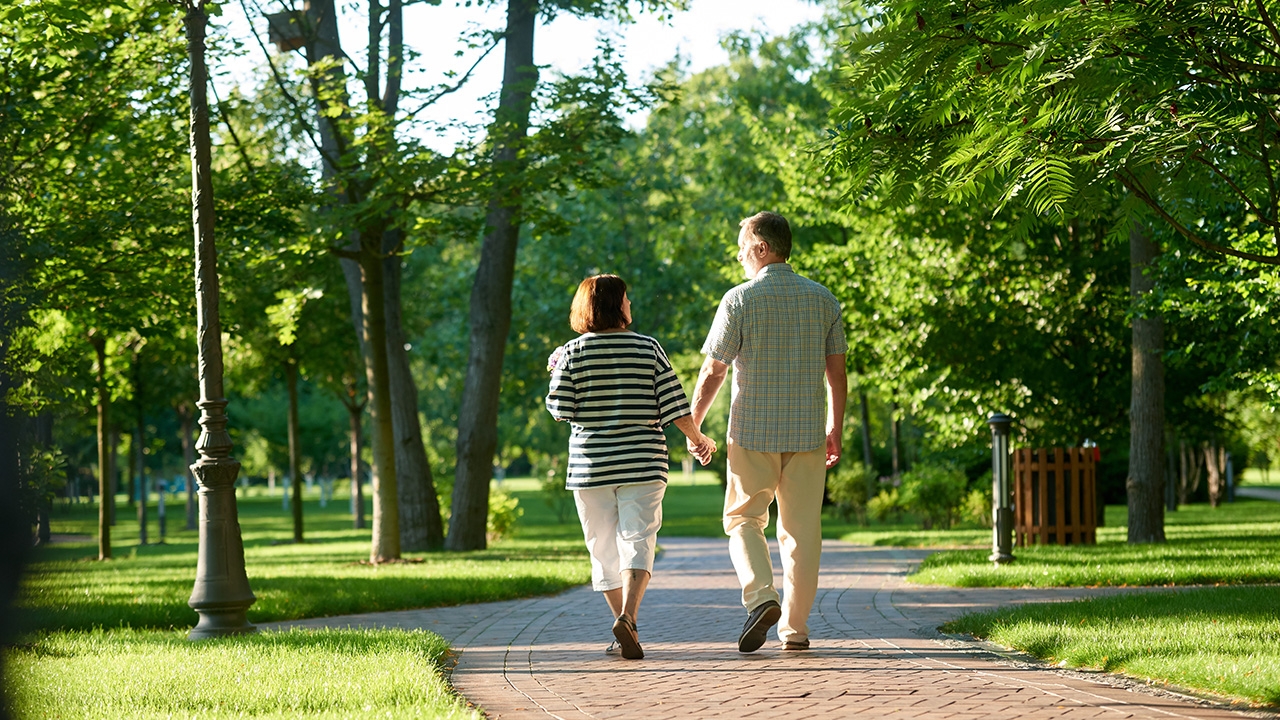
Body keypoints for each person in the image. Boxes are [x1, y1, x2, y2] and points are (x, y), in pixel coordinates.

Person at [688, 211, 847, 653]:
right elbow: (837, 374)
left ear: (761, 247)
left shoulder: (738, 300)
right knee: (802, 533)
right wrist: (836, 426)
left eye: (743, 249)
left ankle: (761, 597)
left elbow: (714, 370)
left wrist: (694, 425)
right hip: (808, 434)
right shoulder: (824, 299)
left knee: (742, 519)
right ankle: (795, 631)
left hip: (753, 431)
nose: (740, 257)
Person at [546, 274, 716, 660]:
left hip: (591, 467)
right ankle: (629, 617)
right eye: (626, 299)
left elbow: (560, 410)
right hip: (643, 461)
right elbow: (674, 404)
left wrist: (556, 371)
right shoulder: (648, 348)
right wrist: (697, 438)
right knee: (638, 538)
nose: (630, 305)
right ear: (615, 305)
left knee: (602, 549)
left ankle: (625, 625)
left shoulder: (571, 352)